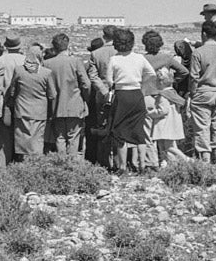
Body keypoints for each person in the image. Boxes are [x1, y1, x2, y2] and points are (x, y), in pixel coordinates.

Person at [105, 28, 156, 173]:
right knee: (139, 131)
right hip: (137, 93)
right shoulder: (139, 58)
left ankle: (122, 167)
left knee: (120, 132)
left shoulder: (114, 59)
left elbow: (109, 80)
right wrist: (143, 86)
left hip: (121, 95)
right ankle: (142, 165)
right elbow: (151, 74)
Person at [141, 30, 187, 166]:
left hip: (148, 95)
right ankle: (166, 161)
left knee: (149, 133)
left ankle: (152, 161)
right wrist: (172, 81)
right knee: (166, 135)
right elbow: (184, 71)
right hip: (165, 94)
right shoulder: (167, 58)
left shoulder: (142, 59)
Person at [188, 21, 216, 163]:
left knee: (202, 128)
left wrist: (193, 93)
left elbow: (194, 77)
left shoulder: (197, 53)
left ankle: (205, 159)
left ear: (204, 34)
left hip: (202, 93)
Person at [44, 33, 92, 156]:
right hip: (75, 104)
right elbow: (86, 84)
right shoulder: (75, 62)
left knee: (59, 137)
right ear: (67, 45)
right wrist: (85, 99)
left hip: (56, 106)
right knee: (73, 138)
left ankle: (61, 163)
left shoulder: (47, 64)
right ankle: (71, 166)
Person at [6, 44, 54, 160]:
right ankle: (35, 164)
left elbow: (12, 91)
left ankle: (23, 163)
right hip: (39, 112)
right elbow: (52, 95)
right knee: (37, 140)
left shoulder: (19, 70)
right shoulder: (46, 73)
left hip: (22, 110)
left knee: (23, 141)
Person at [86, 26, 117, 167]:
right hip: (119, 91)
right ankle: (118, 161)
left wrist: (104, 91)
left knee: (102, 126)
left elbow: (93, 76)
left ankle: (103, 161)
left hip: (101, 93)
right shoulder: (122, 53)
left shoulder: (96, 54)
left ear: (104, 37)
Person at [0, 33, 25, 167]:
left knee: (2, 140)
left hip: (3, 103)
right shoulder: (26, 61)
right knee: (22, 138)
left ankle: (2, 168)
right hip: (22, 104)